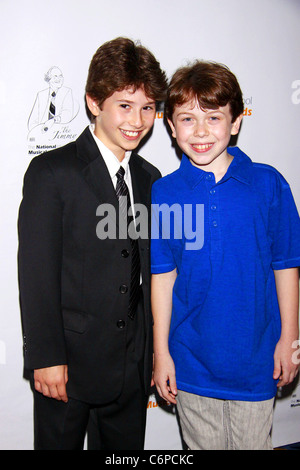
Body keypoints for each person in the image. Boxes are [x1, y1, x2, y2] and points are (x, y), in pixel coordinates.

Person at [18, 37, 167, 450]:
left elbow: (149, 272)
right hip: (67, 367)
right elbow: (36, 275)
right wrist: (46, 357)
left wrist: (155, 351)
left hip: (132, 366)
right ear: (93, 102)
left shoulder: (150, 178)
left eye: (148, 107)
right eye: (124, 105)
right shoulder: (52, 172)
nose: (137, 120)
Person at [151, 61, 300, 450]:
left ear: (235, 122)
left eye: (213, 117)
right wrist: (161, 352)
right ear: (171, 126)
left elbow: (286, 265)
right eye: (187, 118)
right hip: (191, 360)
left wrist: (289, 338)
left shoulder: (268, 184)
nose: (200, 131)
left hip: (255, 358)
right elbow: (163, 277)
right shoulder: (165, 193)